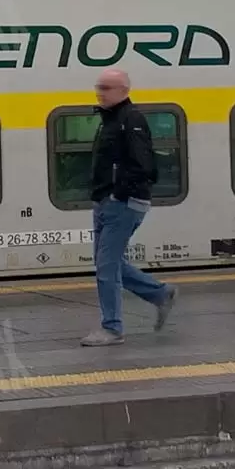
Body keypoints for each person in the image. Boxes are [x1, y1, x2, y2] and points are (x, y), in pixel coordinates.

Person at [80, 68, 178, 347]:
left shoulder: (130, 120)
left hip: (122, 204)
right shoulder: (110, 120)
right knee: (109, 263)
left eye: (106, 88)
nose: (100, 93)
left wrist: (118, 194)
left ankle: (112, 328)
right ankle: (160, 294)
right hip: (106, 201)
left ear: (123, 90)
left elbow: (144, 166)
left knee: (107, 267)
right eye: (98, 87)